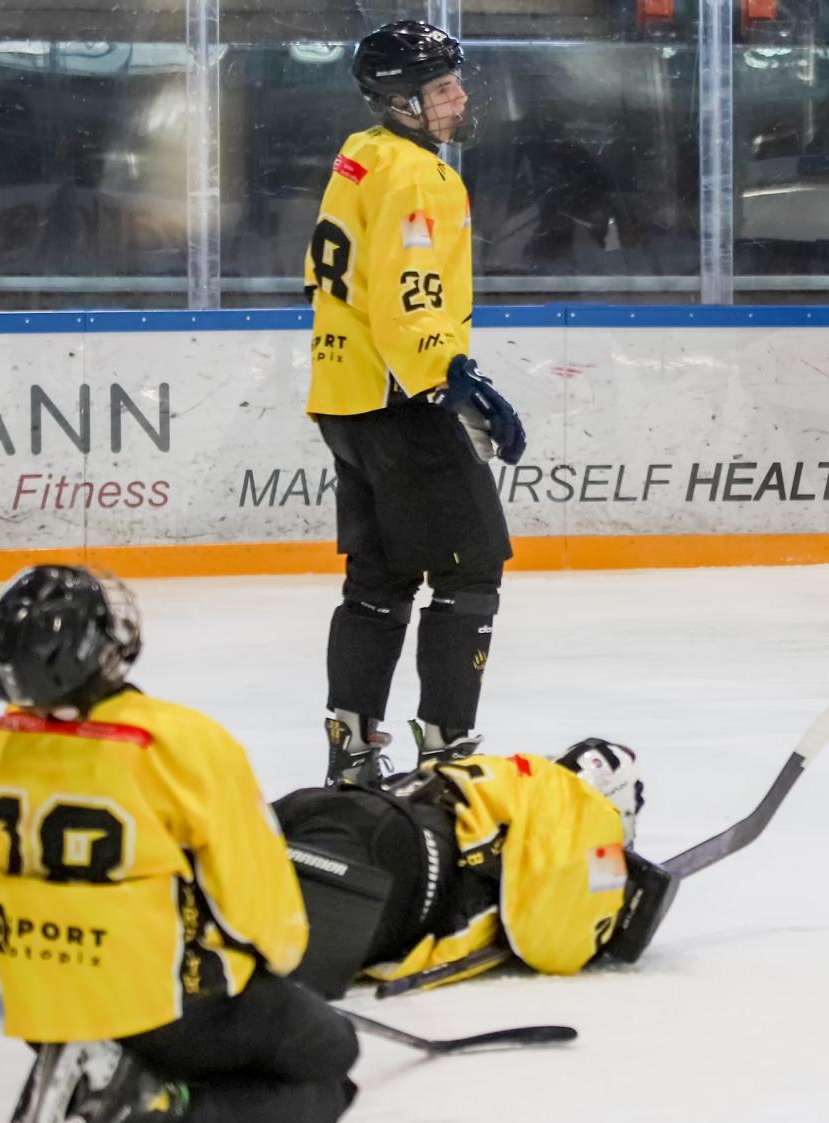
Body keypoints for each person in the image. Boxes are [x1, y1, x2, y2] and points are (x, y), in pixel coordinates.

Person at [0, 566, 357, 1123]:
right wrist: (272, 965)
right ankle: (159, 1110)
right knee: (331, 1064)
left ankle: (107, 1062)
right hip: (160, 1003)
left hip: (40, 1000)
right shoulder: (179, 741)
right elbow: (257, 903)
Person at [305, 20, 527, 785]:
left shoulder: (360, 156)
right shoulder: (419, 176)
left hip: (344, 393)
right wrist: (455, 378)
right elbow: (410, 298)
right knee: (471, 570)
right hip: (402, 398)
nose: (457, 96)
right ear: (399, 102)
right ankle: (447, 750)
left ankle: (353, 744)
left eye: (453, 81)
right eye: (439, 88)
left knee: (380, 578)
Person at [272, 738, 659, 994]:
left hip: (340, 808)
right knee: (270, 961)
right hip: (398, 864)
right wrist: (609, 911)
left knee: (228, 885)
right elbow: (554, 942)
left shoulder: (518, 774)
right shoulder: (582, 812)